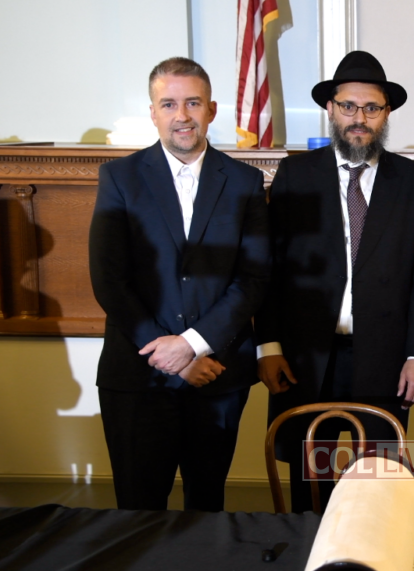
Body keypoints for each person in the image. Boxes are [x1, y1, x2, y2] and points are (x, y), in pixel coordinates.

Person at [254, 50, 414, 513]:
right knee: (308, 482)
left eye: (371, 108)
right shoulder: (295, 176)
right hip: (305, 358)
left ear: (386, 113)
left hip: (384, 358)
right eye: (349, 106)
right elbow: (270, 270)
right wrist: (268, 346)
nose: (360, 118)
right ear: (331, 109)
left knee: (377, 483)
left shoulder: (413, 181)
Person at [89, 57, 269, 512]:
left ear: (211, 109)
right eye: (168, 104)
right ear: (153, 112)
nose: (182, 115)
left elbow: (254, 277)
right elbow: (109, 278)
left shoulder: (245, 182)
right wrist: (168, 353)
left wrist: (193, 344)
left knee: (206, 508)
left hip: (217, 376)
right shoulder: (119, 177)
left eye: (192, 102)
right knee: (137, 508)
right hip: (136, 377)